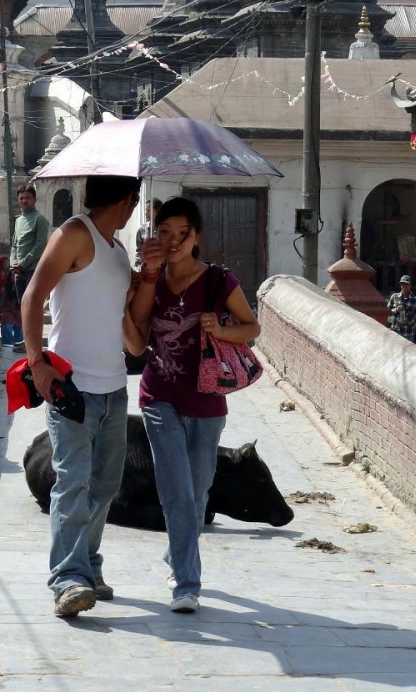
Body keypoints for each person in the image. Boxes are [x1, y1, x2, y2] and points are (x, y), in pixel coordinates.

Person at [127, 197, 259, 614]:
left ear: (196, 237)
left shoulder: (220, 281)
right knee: (176, 492)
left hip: (207, 400)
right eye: (164, 232)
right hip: (158, 395)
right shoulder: (151, 278)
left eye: (182, 234)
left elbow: (251, 328)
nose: (172, 241)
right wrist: (148, 276)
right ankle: (186, 583)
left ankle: (176, 552)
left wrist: (221, 328)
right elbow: (140, 332)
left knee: (198, 494)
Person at [20, 174, 142, 618]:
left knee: (106, 484)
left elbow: (131, 335)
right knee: (73, 481)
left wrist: (142, 284)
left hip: (113, 387)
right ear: (127, 200)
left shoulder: (118, 252)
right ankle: (67, 579)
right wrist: (38, 363)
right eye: (134, 200)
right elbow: (32, 297)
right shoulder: (74, 233)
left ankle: (88, 563)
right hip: (70, 387)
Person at [10, 184, 50, 352]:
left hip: (32, 270)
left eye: (27, 198)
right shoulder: (19, 220)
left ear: (34, 200)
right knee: (23, 307)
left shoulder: (40, 219)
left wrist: (24, 263)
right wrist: (13, 262)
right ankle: (27, 341)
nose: (24, 201)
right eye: (21, 198)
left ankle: (35, 343)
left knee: (33, 307)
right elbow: (14, 244)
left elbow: (40, 245)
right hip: (18, 270)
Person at [386, 274, 416, 342]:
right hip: (395, 330)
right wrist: (396, 310)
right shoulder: (394, 297)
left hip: (408, 332)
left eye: (406, 284)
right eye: (402, 284)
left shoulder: (415, 300)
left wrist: (409, 323)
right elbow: (388, 312)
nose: (404, 286)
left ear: (410, 285)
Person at [134, 197, 162, 268]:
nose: (146, 213)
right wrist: (138, 267)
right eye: (145, 210)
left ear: (157, 212)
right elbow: (139, 252)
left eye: (148, 211)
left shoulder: (165, 230)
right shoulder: (142, 230)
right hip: (146, 270)